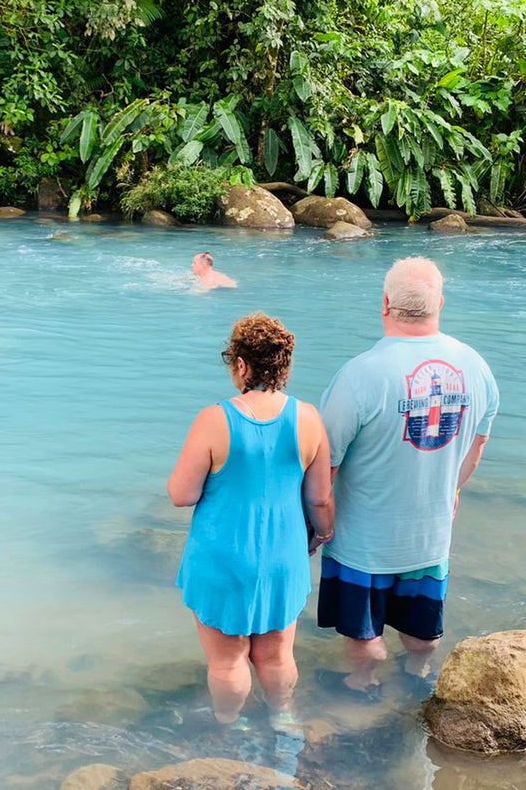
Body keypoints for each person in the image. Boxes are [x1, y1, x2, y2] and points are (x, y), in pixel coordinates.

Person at [315, 256, 498, 700]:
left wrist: (319, 524)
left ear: (385, 304)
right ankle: (417, 674)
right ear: (440, 302)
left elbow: (326, 466)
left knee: (364, 633)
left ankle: (363, 682)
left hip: (364, 541)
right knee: (422, 628)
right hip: (431, 534)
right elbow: (477, 448)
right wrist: (452, 490)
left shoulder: (360, 374)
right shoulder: (476, 367)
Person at [167, 313, 334, 729]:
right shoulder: (308, 418)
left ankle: (229, 724)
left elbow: (180, 494)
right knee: (277, 655)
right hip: (283, 554)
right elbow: (319, 498)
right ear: (285, 366)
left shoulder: (214, 419)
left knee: (227, 662)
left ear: (241, 365)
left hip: (224, 556)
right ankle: (283, 719)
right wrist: (324, 534)